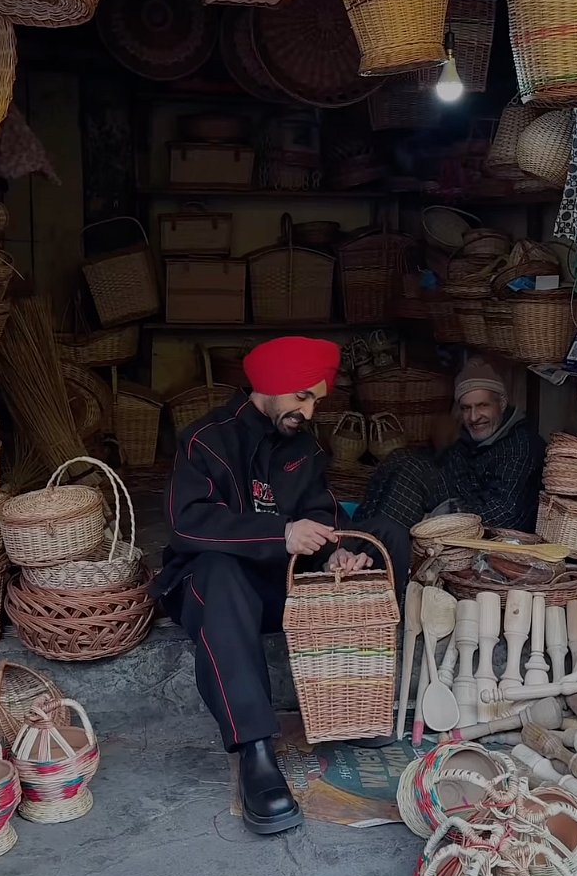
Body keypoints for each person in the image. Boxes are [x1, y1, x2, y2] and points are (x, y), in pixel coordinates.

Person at [152, 336, 410, 837]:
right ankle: (256, 754)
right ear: (268, 387)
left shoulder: (303, 447)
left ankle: (358, 704)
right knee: (219, 573)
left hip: (283, 584)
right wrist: (281, 534)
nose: (309, 410)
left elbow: (320, 510)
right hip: (215, 589)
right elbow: (188, 523)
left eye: (315, 398)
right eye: (301, 396)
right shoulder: (206, 440)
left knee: (387, 536)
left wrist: (335, 549)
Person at [356, 358, 545, 533]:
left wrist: (441, 516)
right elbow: (447, 464)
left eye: (482, 406)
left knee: (412, 474)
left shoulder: (520, 446)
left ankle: (379, 556)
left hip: (484, 522)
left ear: (502, 404)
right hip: (462, 496)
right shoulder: (472, 437)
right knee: (399, 458)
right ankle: (356, 540)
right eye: (466, 408)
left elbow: (503, 513)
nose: (473, 417)